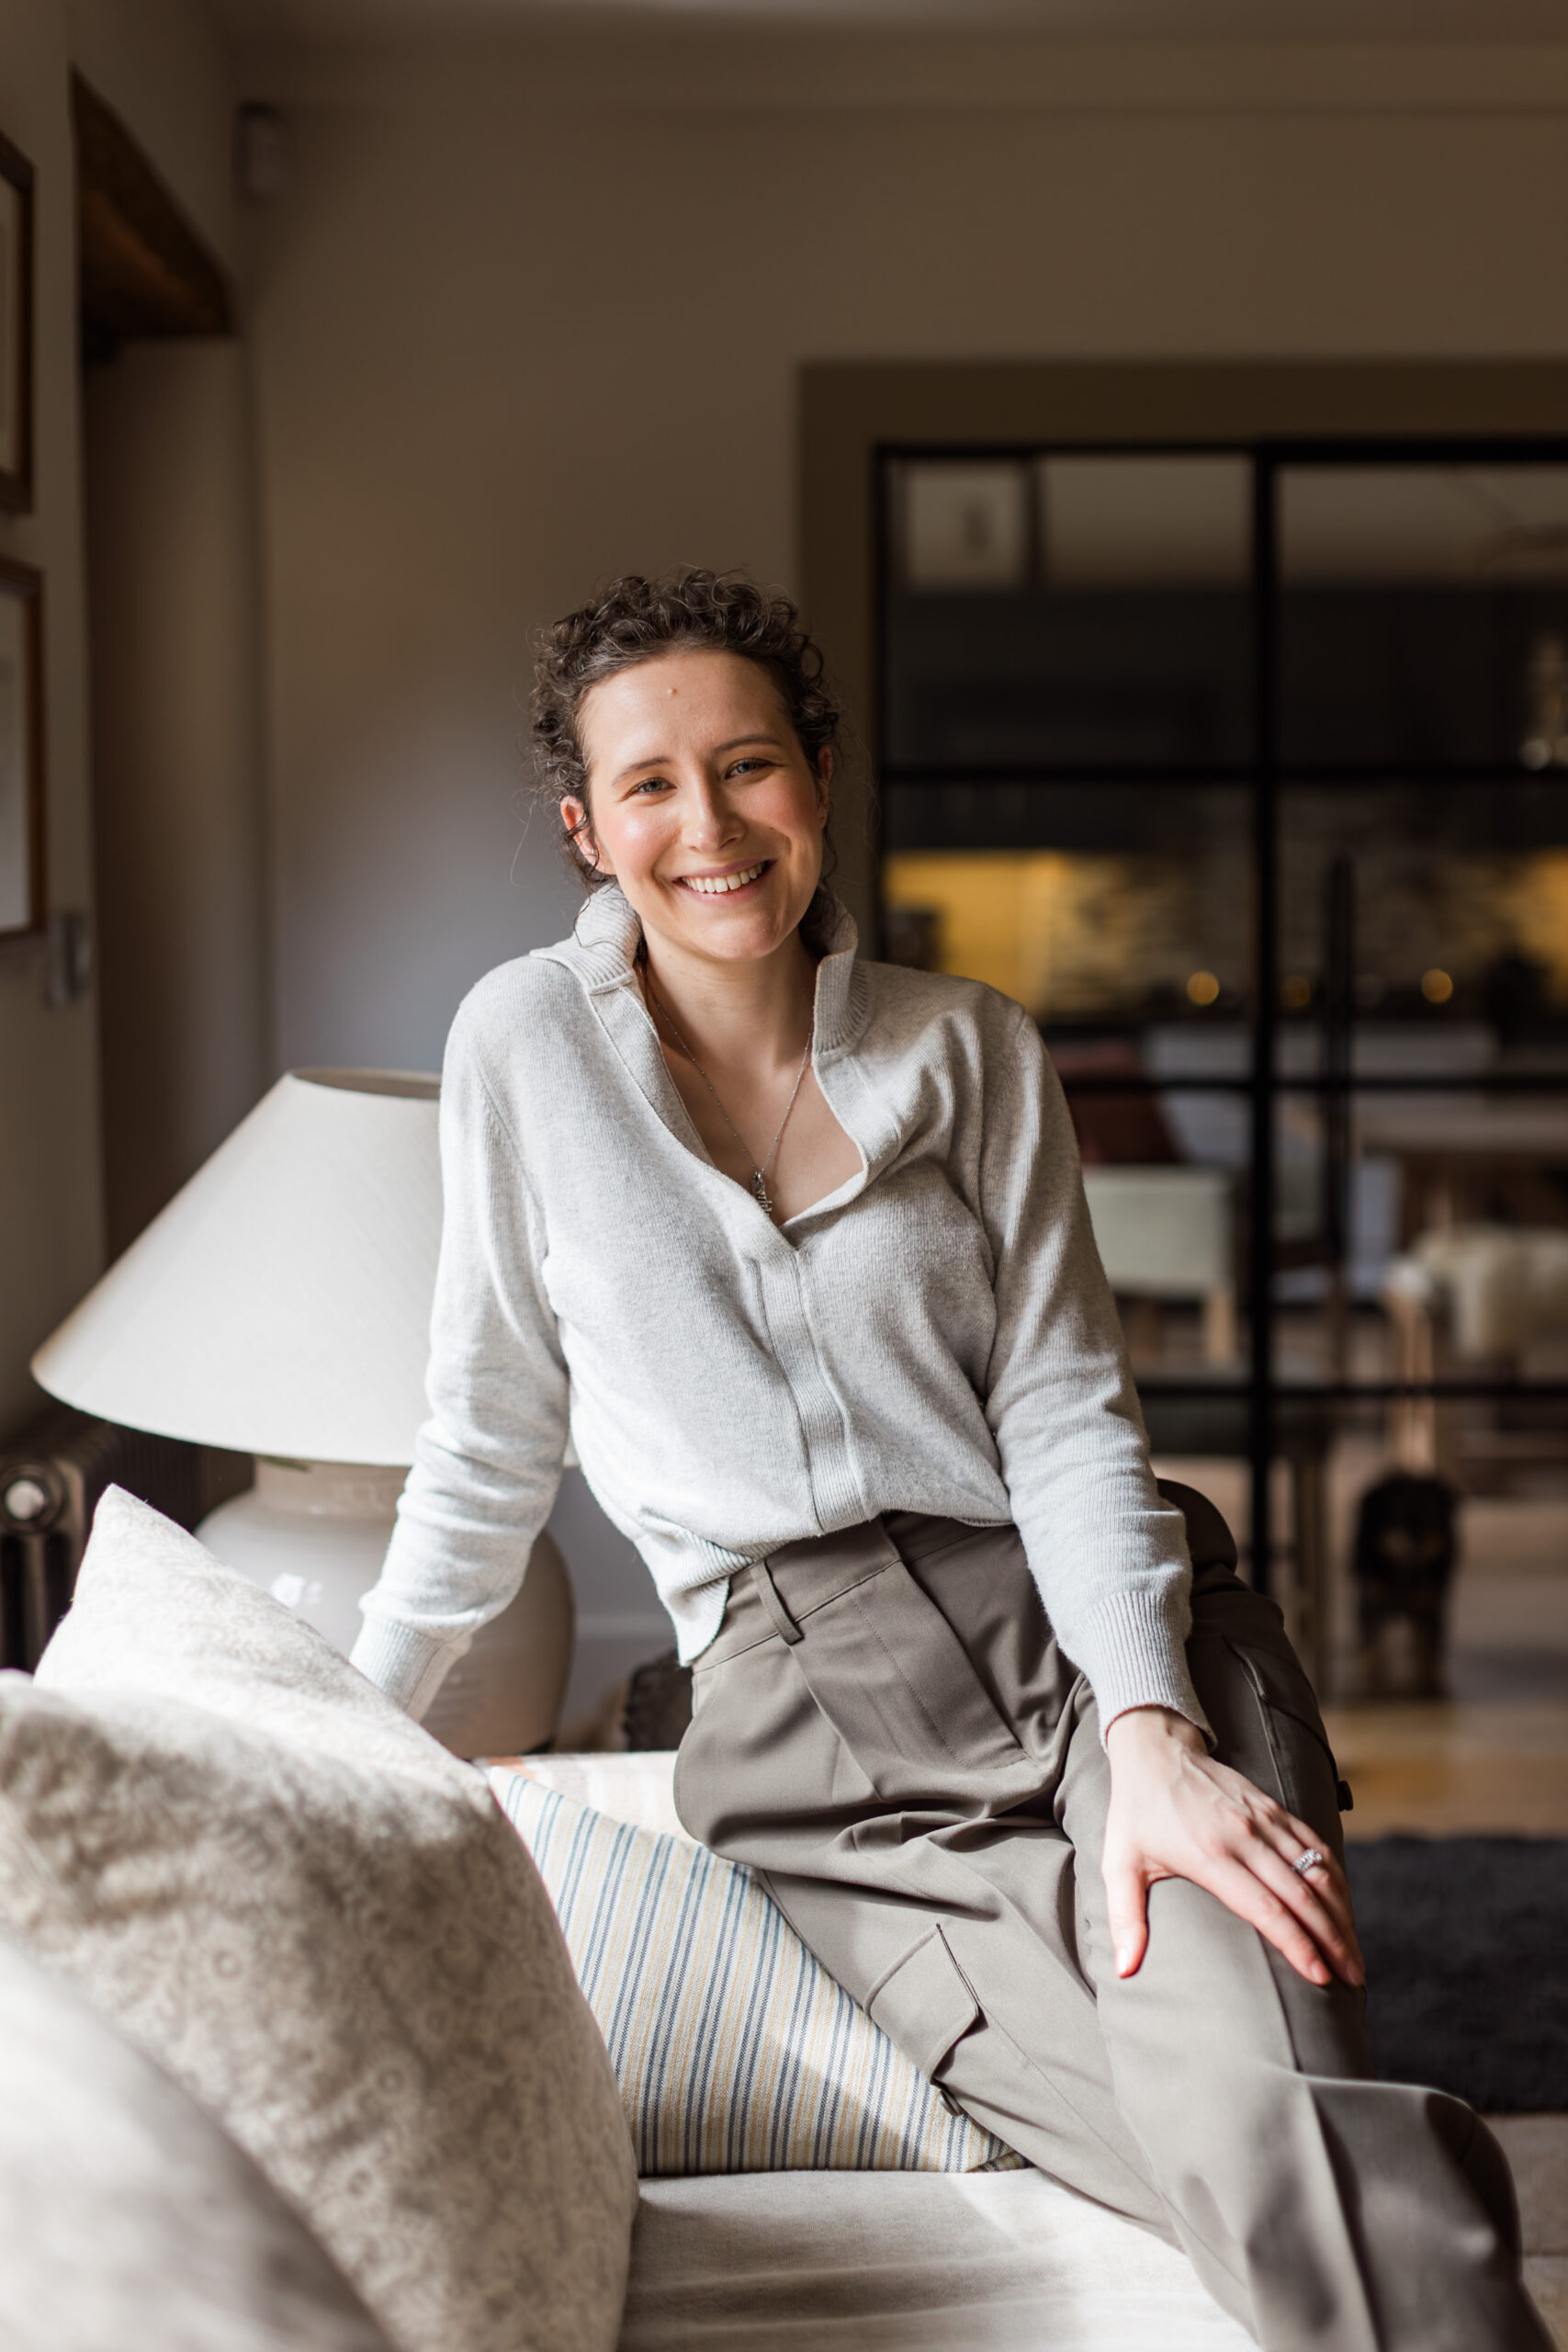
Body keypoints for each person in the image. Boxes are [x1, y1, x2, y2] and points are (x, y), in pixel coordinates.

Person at [351, 569, 1548, 2351]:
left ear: (819, 775)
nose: (709, 826)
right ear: (584, 828)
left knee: (1249, 2083)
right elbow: (485, 1440)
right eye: (650, 784)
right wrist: (332, 1728)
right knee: (1220, 2130)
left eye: (747, 765)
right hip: (815, 1747)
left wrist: (1150, 1733)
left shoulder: (970, 1047)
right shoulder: (520, 1048)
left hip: (1085, 1633)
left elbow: (1066, 1412)